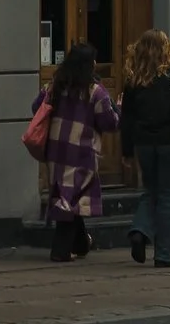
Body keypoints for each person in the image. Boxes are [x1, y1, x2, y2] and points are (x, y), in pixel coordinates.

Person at [116, 27, 170, 270]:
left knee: (150, 191)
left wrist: (127, 151)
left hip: (143, 144)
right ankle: (163, 254)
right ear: (165, 50)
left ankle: (140, 231)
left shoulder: (133, 81)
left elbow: (126, 119)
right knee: (169, 196)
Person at [35, 42, 116, 260]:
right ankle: (59, 251)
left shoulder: (56, 85)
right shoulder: (95, 91)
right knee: (69, 198)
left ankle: (80, 244)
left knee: (69, 194)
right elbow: (108, 122)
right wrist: (119, 111)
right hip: (82, 151)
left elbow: (36, 107)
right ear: (90, 65)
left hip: (55, 149)